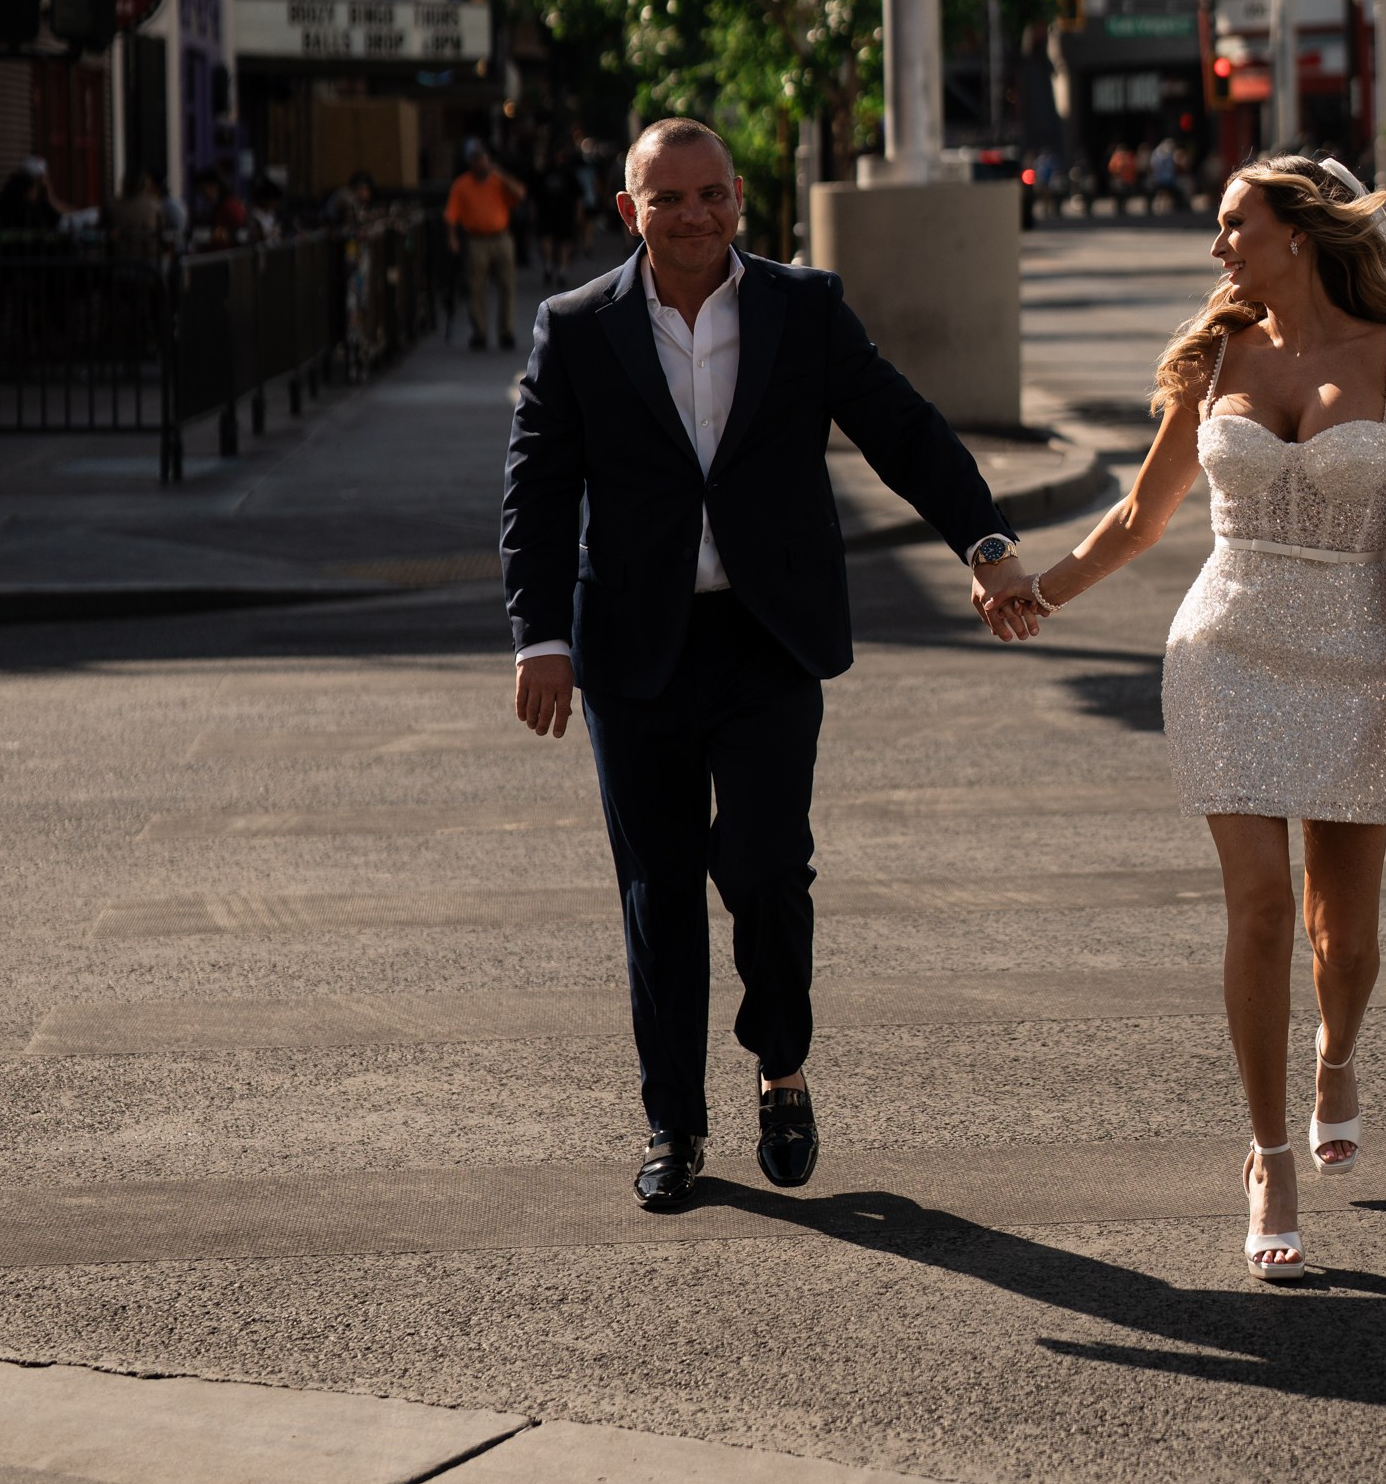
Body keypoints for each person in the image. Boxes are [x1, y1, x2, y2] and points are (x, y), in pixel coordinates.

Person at [500, 116, 1040, 1211]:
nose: (695, 216)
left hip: (767, 637)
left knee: (763, 869)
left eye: (713, 195)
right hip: (633, 650)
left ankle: (780, 1063)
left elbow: (900, 427)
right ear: (629, 211)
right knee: (656, 891)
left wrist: (981, 540)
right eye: (669, 198)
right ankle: (672, 1124)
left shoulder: (803, 307)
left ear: (739, 198)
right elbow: (538, 492)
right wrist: (542, 637)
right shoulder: (576, 328)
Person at [1019, 157, 1386, 1279]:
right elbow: (1138, 517)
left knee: (1347, 938)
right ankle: (1266, 1151)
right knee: (1261, 907)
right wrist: (1036, 593)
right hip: (1224, 649)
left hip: (1356, 655)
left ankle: (1337, 1057)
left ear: (1298, 231)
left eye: (1233, 224)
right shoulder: (1217, 356)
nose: (1217, 246)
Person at [446, 140, 525, 352]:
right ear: (470, 162)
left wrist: (500, 175)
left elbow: (519, 194)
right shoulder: (461, 185)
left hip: (501, 238)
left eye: (483, 158)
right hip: (475, 240)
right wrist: (452, 238)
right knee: (475, 287)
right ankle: (479, 332)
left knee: (506, 286)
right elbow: (451, 216)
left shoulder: (498, 181)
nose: (480, 163)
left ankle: (505, 332)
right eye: (476, 159)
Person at [534, 144, 584, 292]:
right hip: (547, 211)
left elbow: (578, 197)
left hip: (565, 212)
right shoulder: (544, 173)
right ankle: (549, 266)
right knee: (546, 239)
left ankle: (562, 270)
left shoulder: (569, 174)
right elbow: (536, 195)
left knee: (564, 242)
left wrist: (578, 215)